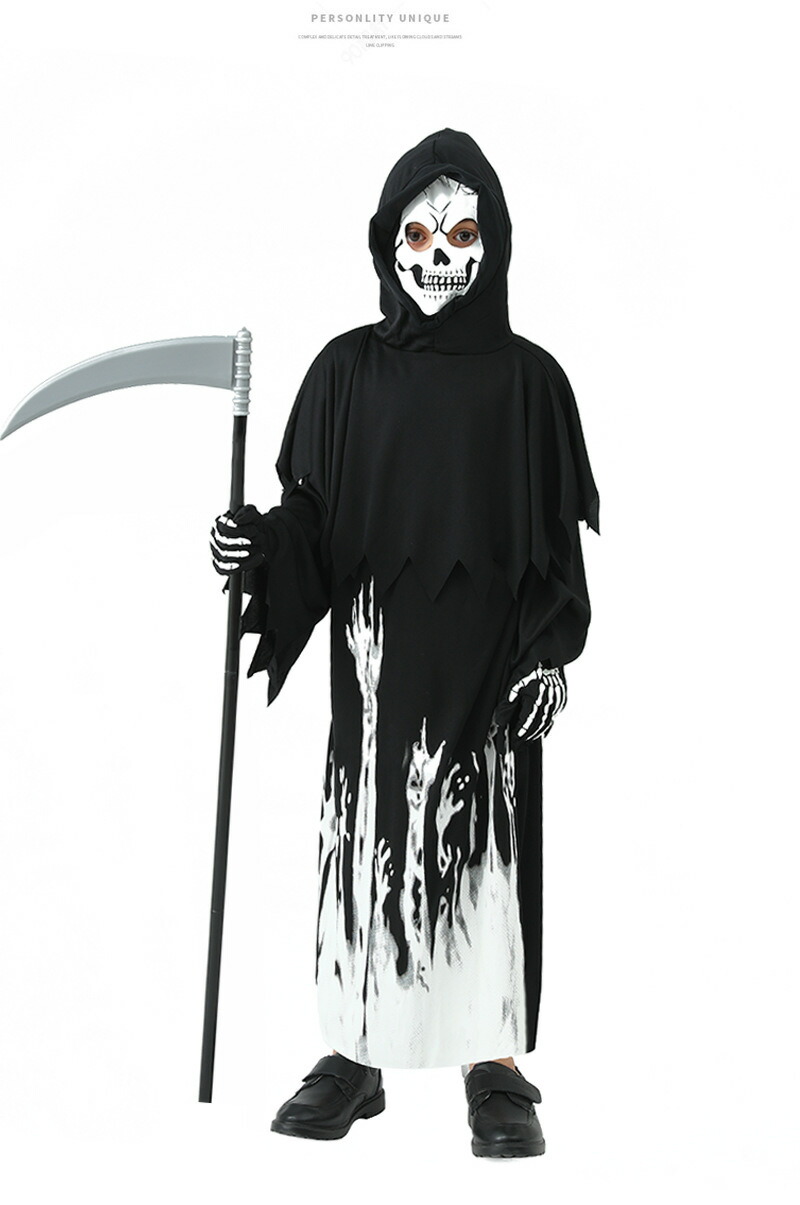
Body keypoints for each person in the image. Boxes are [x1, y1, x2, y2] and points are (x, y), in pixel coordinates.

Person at [210, 127, 599, 1158]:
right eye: (418, 235)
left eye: (462, 234)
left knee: (485, 847)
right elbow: (311, 521)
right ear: (387, 242)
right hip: (376, 667)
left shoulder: (531, 385)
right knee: (370, 838)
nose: (438, 256)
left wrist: (550, 658)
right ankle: (355, 1048)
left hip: (489, 670)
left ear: (494, 243)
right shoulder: (345, 373)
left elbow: (556, 552)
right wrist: (258, 544)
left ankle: (493, 1062)